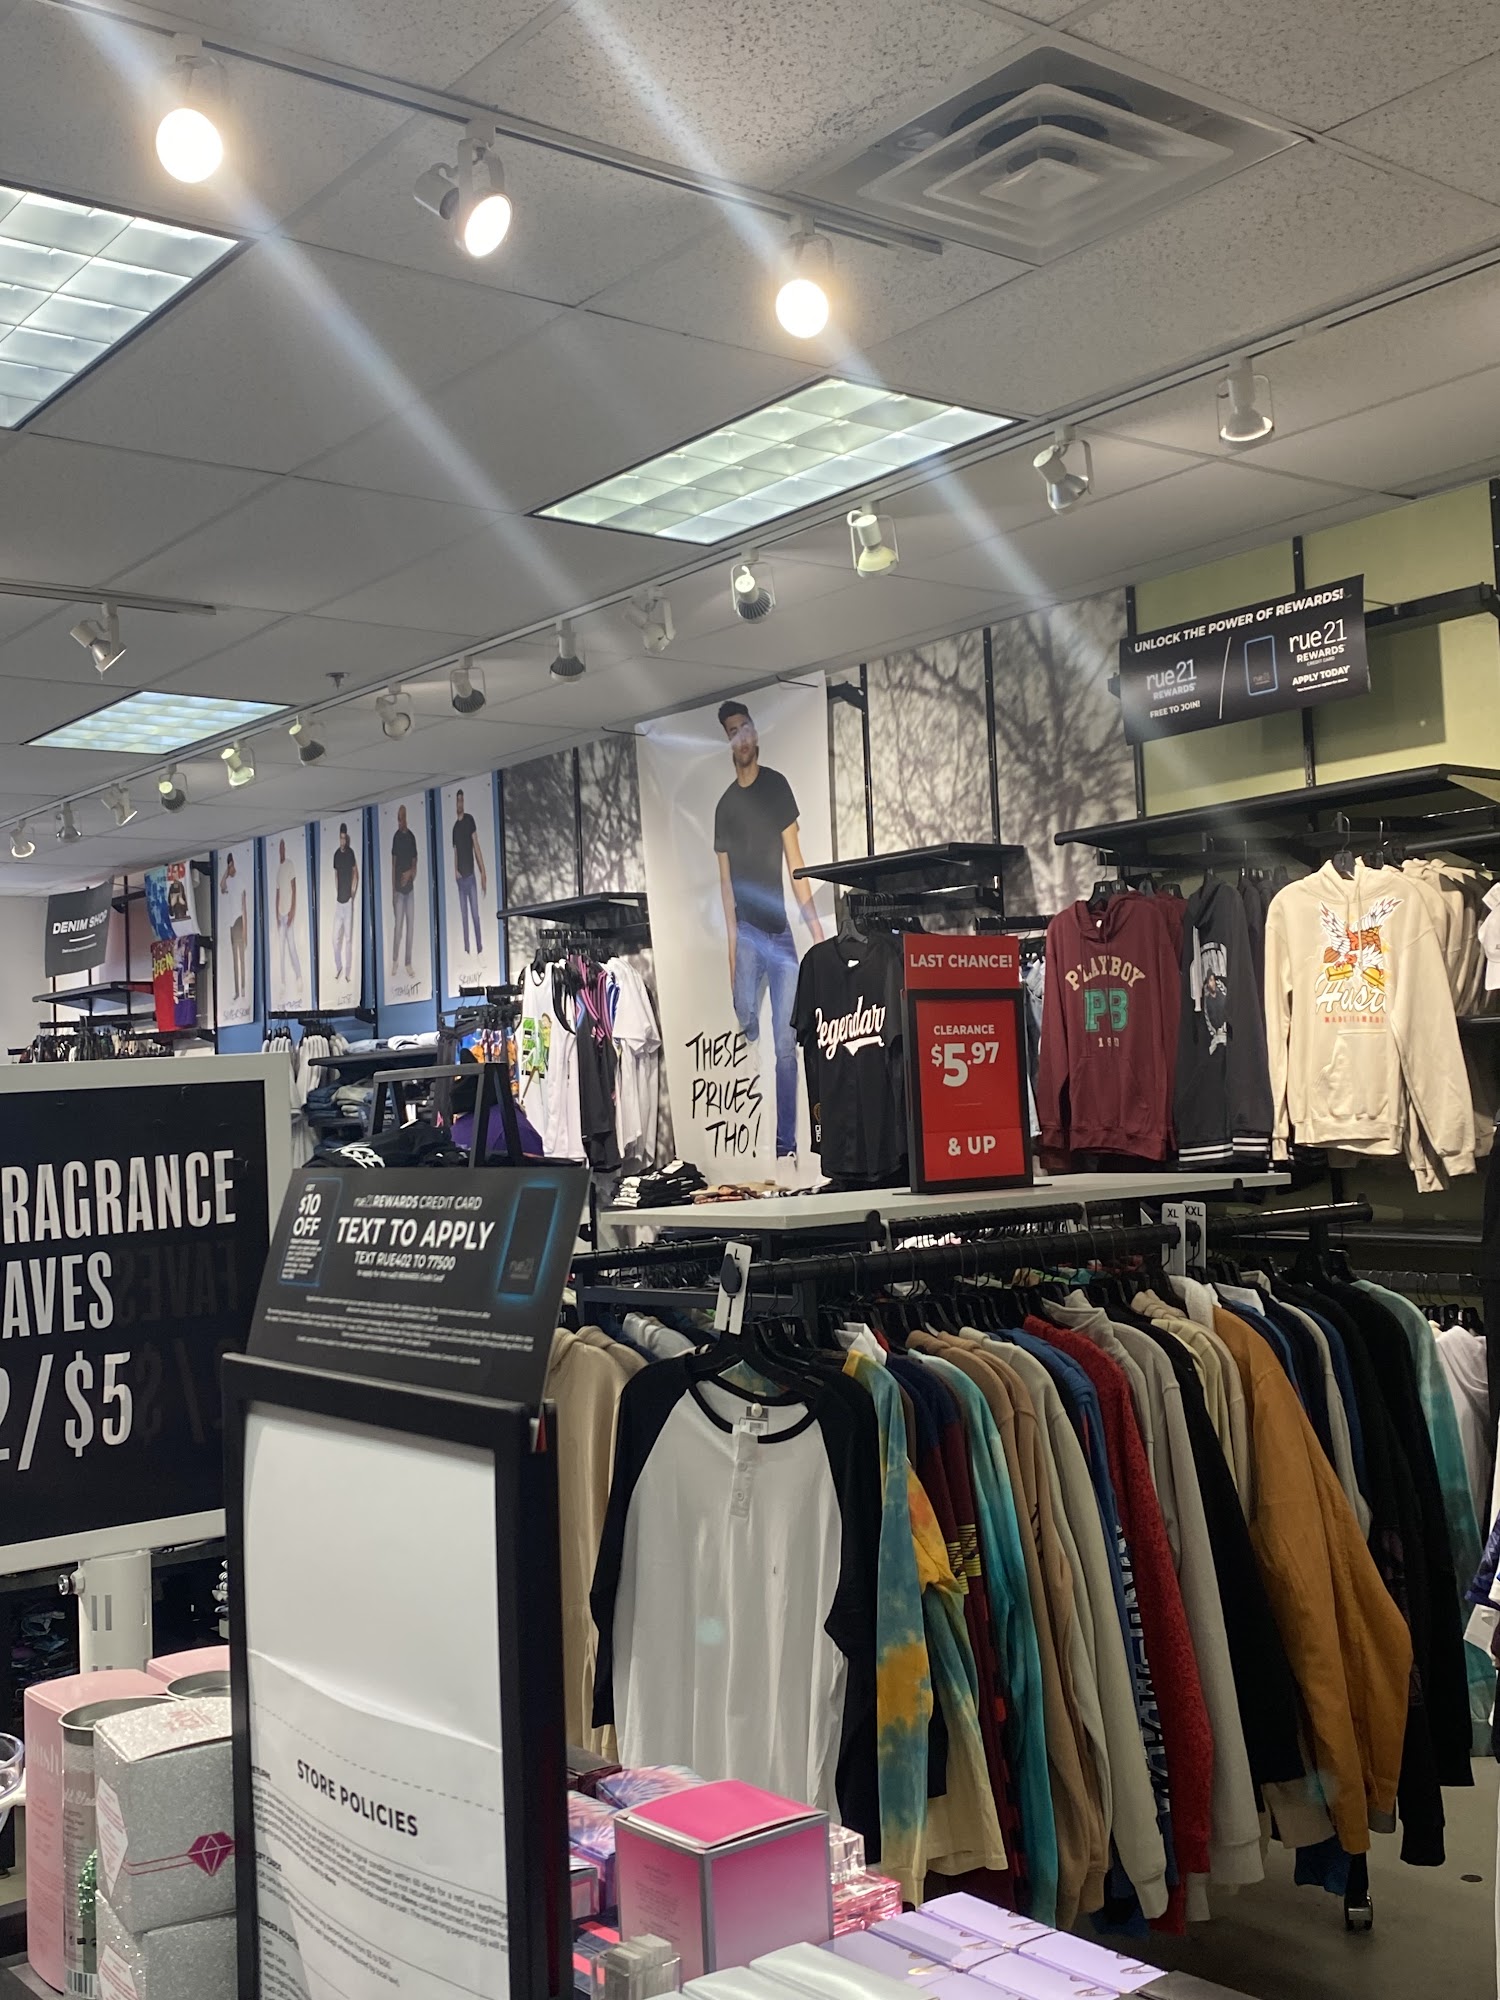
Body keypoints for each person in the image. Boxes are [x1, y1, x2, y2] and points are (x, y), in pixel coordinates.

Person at [713, 699, 824, 1165]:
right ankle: (748, 1018)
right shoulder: (724, 806)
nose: (740, 738)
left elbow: (796, 864)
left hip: (778, 935)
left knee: (785, 1047)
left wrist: (816, 933)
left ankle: (786, 1147)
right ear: (727, 741)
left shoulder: (776, 787)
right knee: (745, 1017)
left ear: (755, 733)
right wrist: (732, 952)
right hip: (746, 932)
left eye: (745, 728)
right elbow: (725, 887)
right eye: (732, 731)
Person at [451, 788, 488, 957]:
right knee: (464, 916)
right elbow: (456, 851)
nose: (460, 804)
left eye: (461, 800)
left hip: (470, 875)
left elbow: (476, 846)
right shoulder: (455, 828)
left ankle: (479, 949)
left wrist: (482, 871)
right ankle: (467, 951)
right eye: (458, 801)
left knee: (475, 915)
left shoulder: (469, 821)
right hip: (460, 878)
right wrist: (455, 870)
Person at [390, 803, 418, 977]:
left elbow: (415, 863)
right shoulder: (396, 838)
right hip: (399, 891)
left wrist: (410, 874)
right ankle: (395, 960)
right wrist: (393, 889)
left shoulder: (411, 837)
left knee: (410, 927)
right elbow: (393, 865)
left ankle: (408, 962)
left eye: (402, 819)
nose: (400, 822)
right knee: (398, 928)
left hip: (410, 889)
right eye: (399, 819)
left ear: (406, 818)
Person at [330, 822, 359, 984]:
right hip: (338, 902)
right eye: (341, 838)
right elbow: (336, 874)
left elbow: (355, 873)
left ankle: (347, 972)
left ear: (346, 838)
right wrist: (338, 890)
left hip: (347, 902)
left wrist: (352, 894)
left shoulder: (350, 853)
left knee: (347, 939)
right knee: (334, 938)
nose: (342, 841)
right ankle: (339, 966)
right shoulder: (336, 855)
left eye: (344, 838)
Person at [274, 837, 302, 995]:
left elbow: (294, 888)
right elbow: (277, 894)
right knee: (281, 951)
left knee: (291, 947)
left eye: (283, 847)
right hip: (281, 914)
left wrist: (293, 909)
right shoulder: (278, 870)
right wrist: (276, 914)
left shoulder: (289, 865)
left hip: (288, 913)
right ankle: (283, 982)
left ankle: (299, 977)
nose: (281, 851)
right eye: (280, 848)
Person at [220, 851, 247, 1003]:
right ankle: (237, 990)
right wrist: (226, 871)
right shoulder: (229, 881)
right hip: (231, 922)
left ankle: (243, 987)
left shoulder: (240, 879)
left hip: (239, 919)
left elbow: (244, 904)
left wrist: (245, 929)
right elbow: (221, 886)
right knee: (234, 958)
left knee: (241, 957)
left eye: (231, 866)